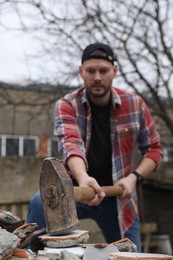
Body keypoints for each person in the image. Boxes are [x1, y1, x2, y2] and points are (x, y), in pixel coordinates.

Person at [27, 42, 162, 252]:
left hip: (119, 199)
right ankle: (31, 253)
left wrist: (134, 177)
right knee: (39, 203)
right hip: (76, 192)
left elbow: (154, 148)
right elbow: (71, 144)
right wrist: (82, 178)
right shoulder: (67, 104)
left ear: (114, 71)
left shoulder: (135, 105)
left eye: (103, 70)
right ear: (81, 72)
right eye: (90, 71)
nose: (97, 77)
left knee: (130, 255)